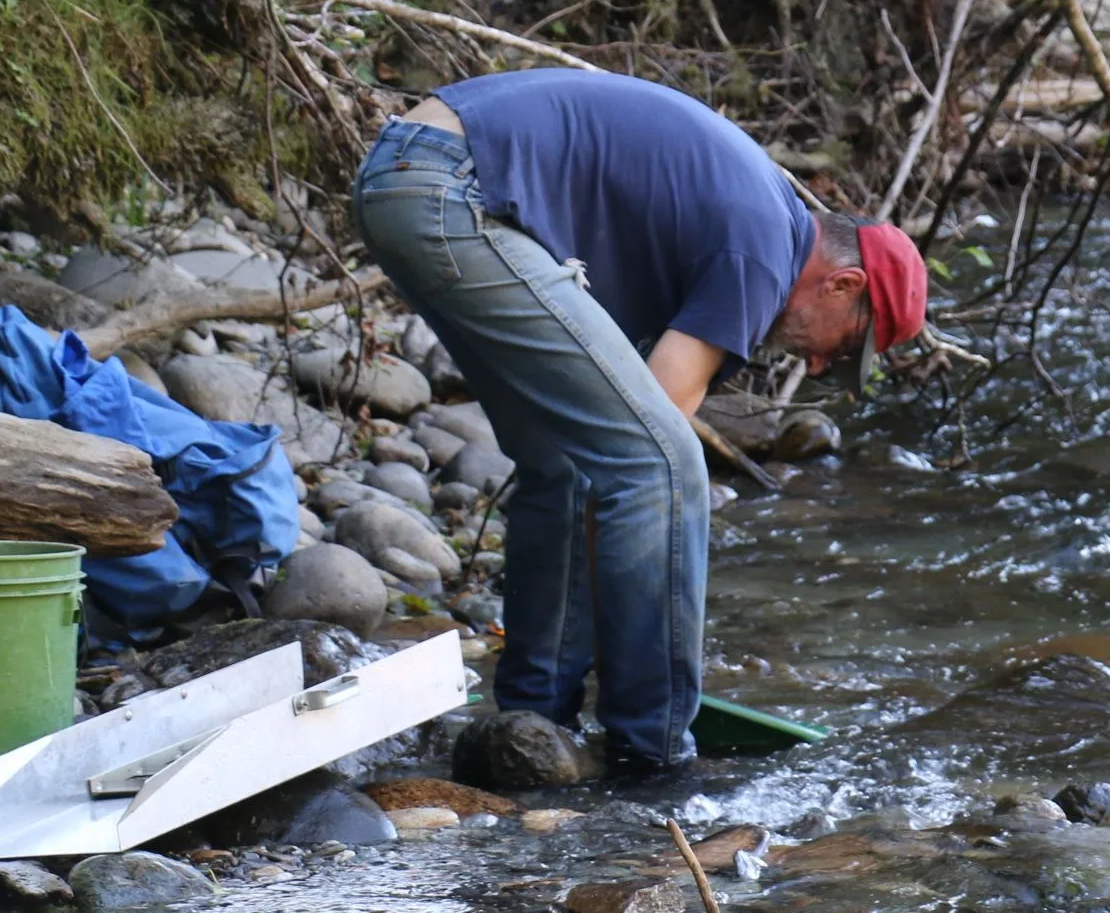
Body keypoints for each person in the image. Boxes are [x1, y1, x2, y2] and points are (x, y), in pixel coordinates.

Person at [350, 70, 926, 767]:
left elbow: (605, 461)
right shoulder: (761, 252)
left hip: (409, 175)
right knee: (662, 461)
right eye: (849, 342)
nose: (830, 363)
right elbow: (652, 451)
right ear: (844, 284)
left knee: (564, 462)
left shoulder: (761, 221)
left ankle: (535, 723)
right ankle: (652, 750)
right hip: (453, 190)